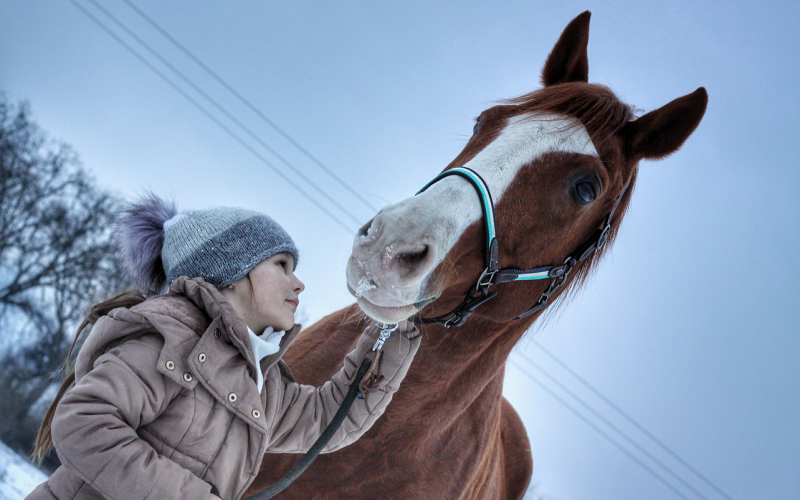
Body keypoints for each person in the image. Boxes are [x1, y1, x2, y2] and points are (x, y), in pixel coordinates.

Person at [26, 194, 421, 500]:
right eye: (281, 265)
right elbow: (84, 422)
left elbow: (328, 420)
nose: (298, 283)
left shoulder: (261, 385)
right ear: (231, 274)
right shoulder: (170, 337)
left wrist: (395, 328)